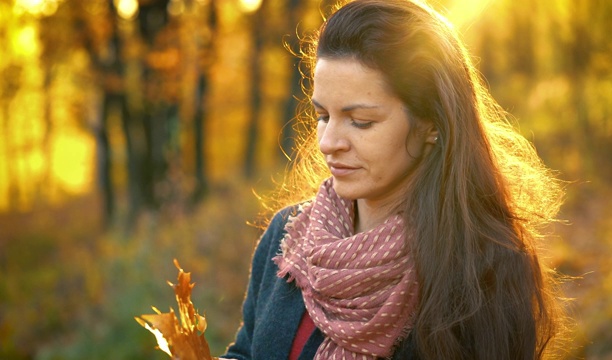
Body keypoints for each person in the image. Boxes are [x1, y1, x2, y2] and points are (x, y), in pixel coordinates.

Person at [222, 0, 570, 359]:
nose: (328, 143)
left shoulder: (484, 269)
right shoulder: (287, 237)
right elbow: (246, 352)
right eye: (323, 115)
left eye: (361, 121)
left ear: (431, 123)